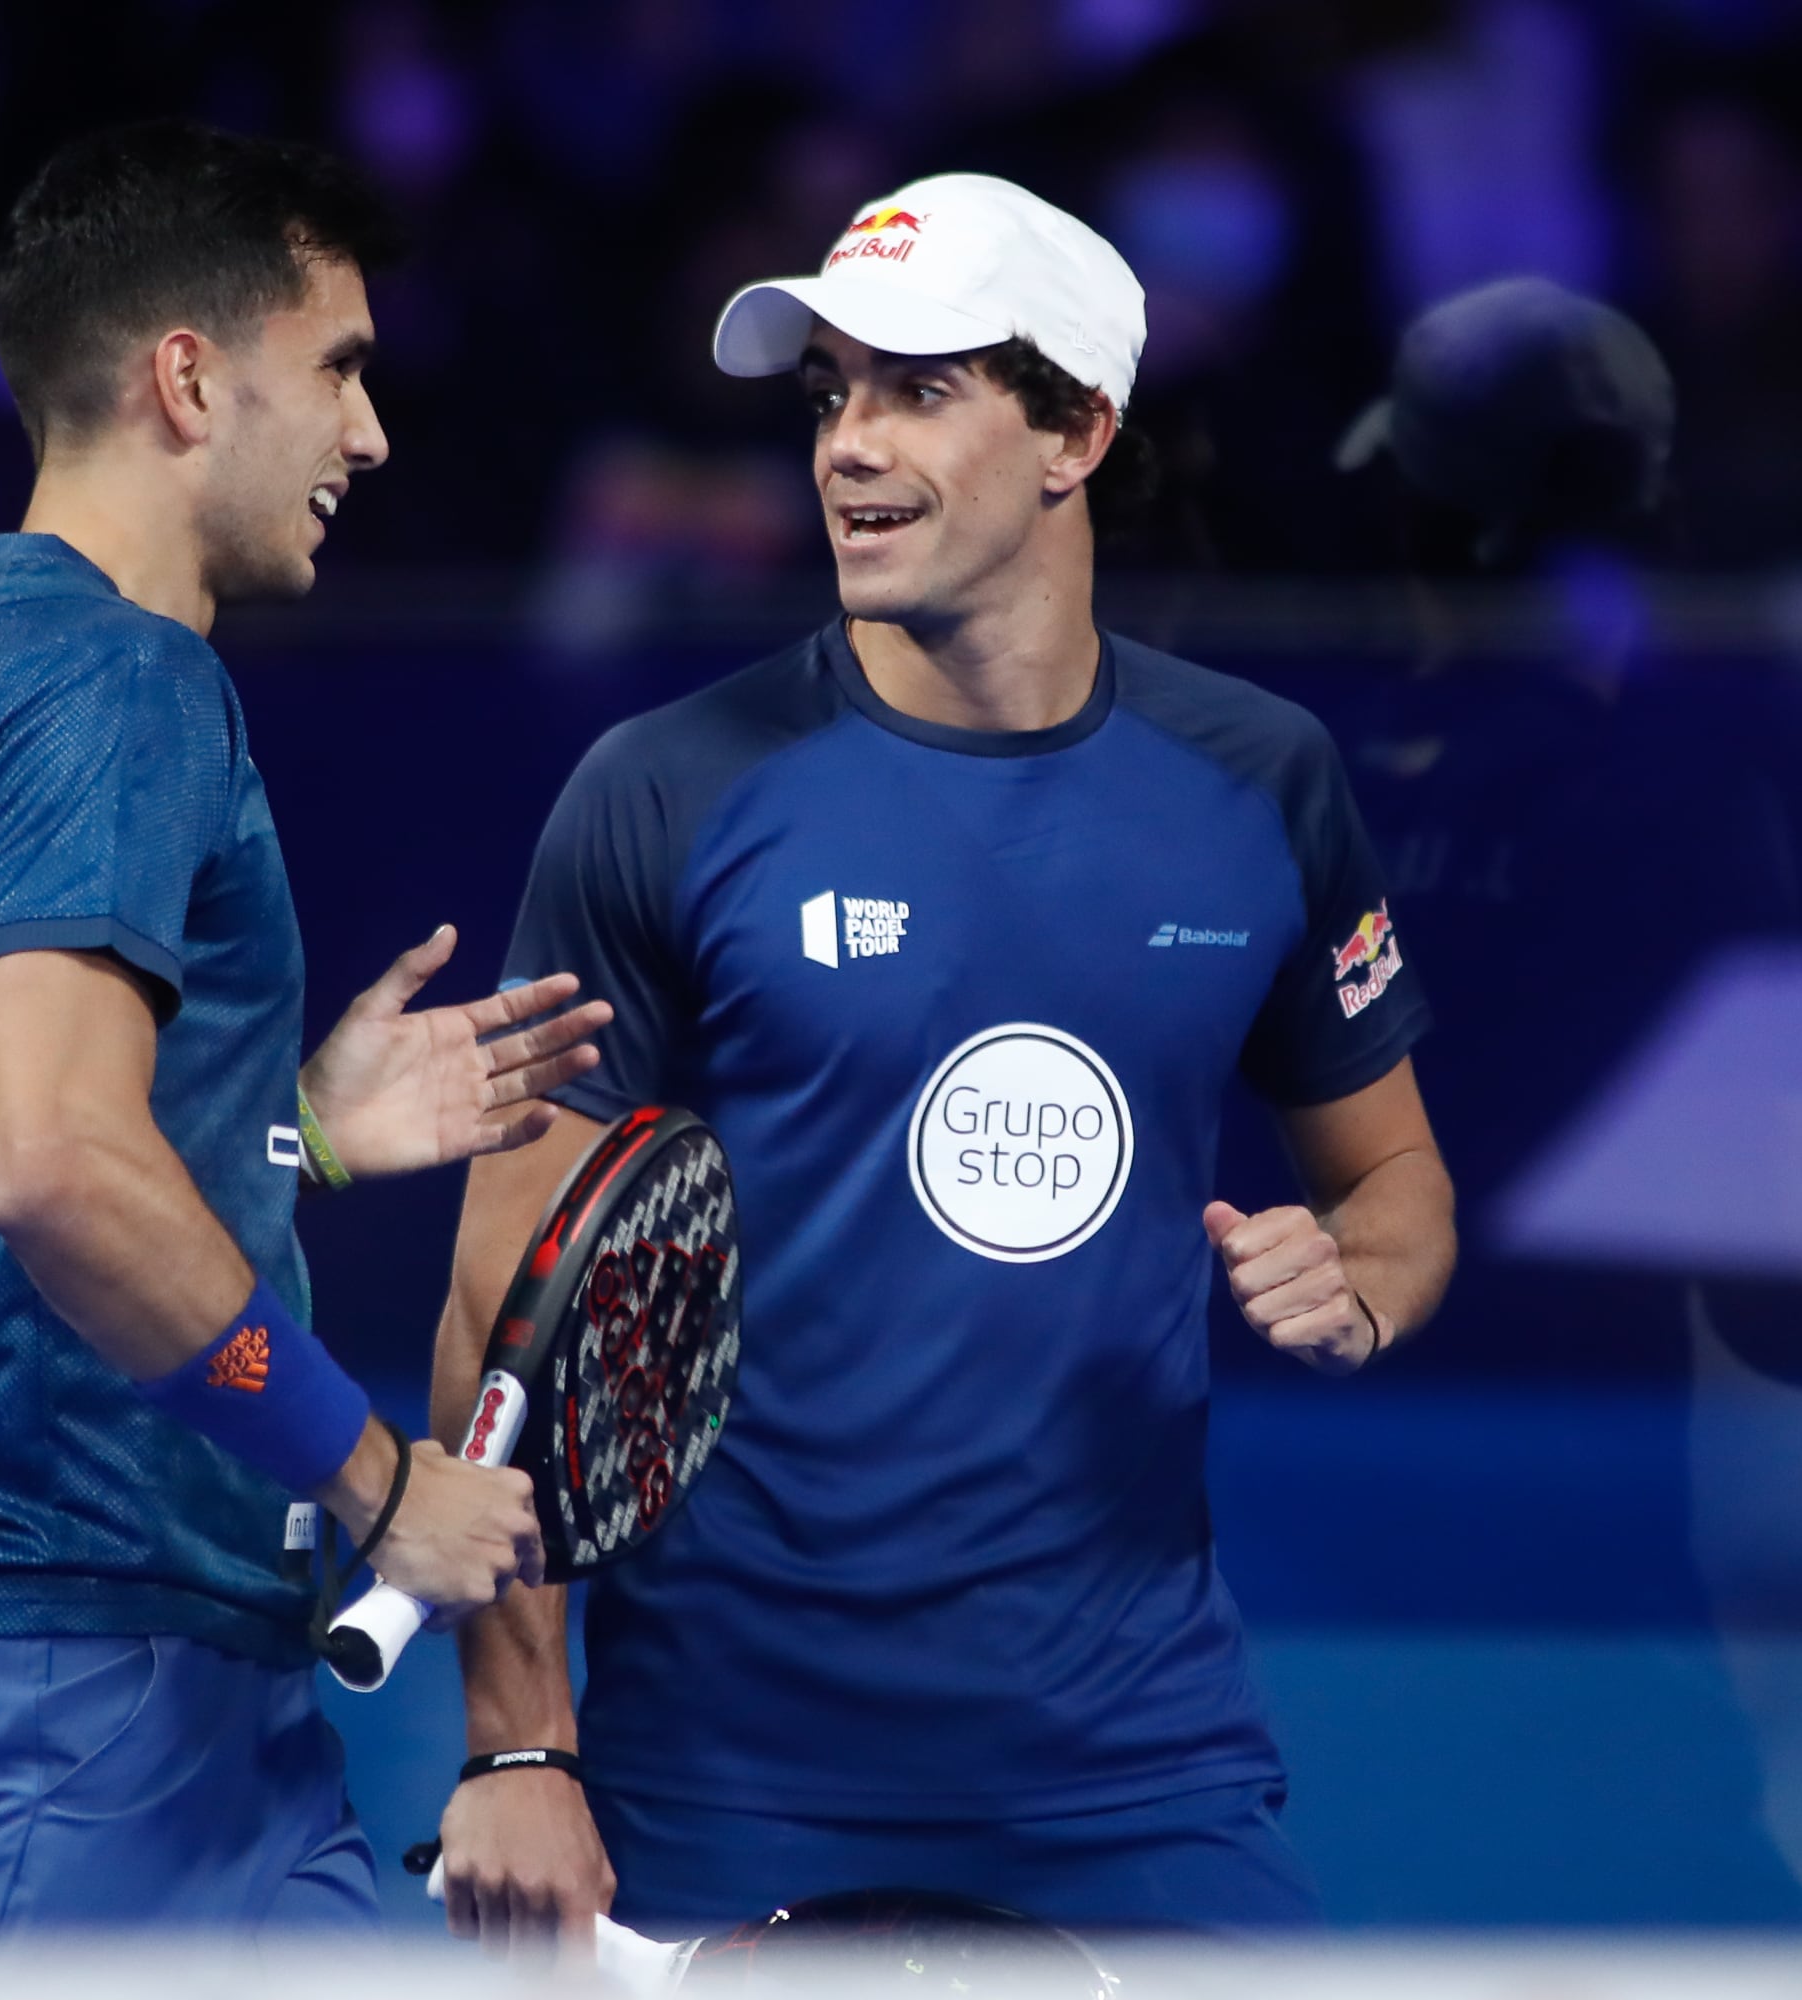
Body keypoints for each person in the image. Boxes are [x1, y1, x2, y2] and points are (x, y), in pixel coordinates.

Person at [429, 172, 1455, 1950]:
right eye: (830, 392)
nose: (844, 443)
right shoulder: (664, 791)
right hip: (719, 1778)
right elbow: (496, 1316)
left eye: (917, 388)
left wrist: (1357, 1281)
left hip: (1140, 1767)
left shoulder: (1262, 782)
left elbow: (1399, 1184)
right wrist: (524, 1746)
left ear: (1076, 431)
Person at [0, 120, 611, 1954]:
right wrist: (377, 1477)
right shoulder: (120, 682)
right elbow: (46, 1163)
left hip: (167, 1712)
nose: (370, 434)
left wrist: (281, 1133)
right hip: (67, 1718)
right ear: (188, 377)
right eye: (337, 368)